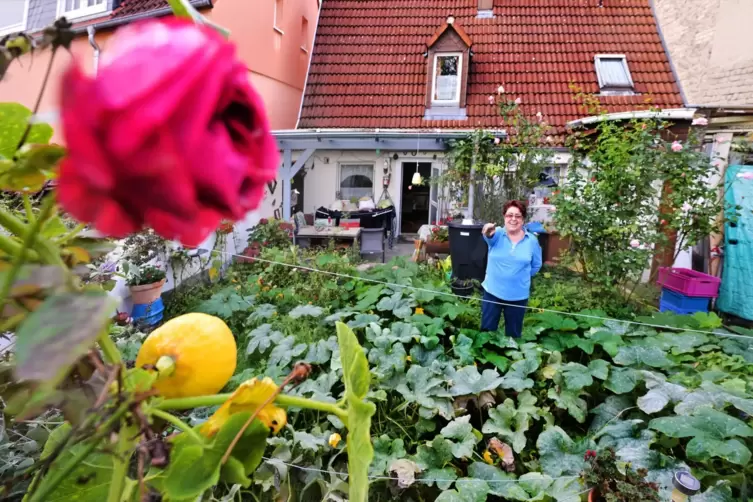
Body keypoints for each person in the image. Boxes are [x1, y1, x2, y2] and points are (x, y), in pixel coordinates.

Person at [480, 200, 542, 337]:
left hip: (518, 296)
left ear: (523, 219)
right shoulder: (497, 234)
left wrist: (520, 276)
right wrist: (487, 231)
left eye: (518, 216)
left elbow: (536, 265)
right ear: (504, 217)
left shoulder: (531, 240)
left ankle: (511, 357)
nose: (513, 219)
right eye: (509, 215)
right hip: (492, 292)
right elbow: (488, 235)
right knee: (486, 333)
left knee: (513, 335)